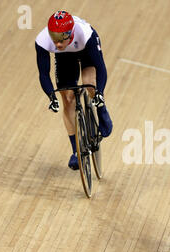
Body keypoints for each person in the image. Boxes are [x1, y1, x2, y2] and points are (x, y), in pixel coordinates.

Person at [35, 10, 113, 170]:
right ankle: (76, 151)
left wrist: (99, 93)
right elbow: (43, 73)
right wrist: (51, 96)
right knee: (68, 99)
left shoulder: (85, 34)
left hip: (86, 52)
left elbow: (100, 68)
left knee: (89, 82)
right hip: (64, 58)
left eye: (60, 39)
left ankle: (102, 111)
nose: (56, 43)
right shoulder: (43, 40)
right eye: (53, 38)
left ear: (70, 33)